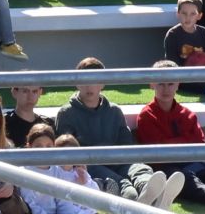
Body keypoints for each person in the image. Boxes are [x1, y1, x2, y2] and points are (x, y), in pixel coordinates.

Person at [134, 60, 205, 213]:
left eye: (170, 84)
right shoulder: (146, 116)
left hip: (194, 164)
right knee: (182, 178)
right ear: (152, 84)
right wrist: (185, 141)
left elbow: (200, 145)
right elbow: (157, 154)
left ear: (178, 84)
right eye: (161, 84)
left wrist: (171, 144)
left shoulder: (188, 114)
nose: (166, 89)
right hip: (166, 170)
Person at [55, 55, 154, 202]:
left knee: (140, 169)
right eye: (84, 81)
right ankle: (134, 197)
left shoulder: (114, 111)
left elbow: (126, 145)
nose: (89, 86)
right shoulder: (66, 113)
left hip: (118, 161)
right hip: (89, 165)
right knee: (125, 188)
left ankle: (149, 190)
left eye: (95, 81)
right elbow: (68, 153)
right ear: (77, 83)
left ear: (103, 83)